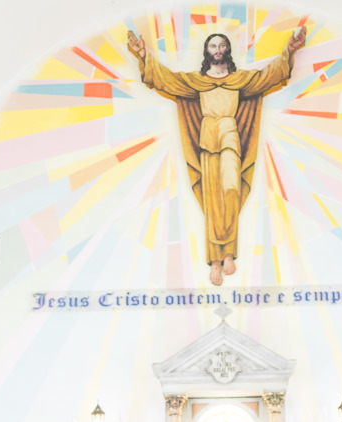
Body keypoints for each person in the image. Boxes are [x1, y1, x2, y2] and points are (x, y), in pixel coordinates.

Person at [126, 28, 305, 286]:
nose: (218, 50)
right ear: (207, 52)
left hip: (230, 134)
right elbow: (166, 79)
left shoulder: (240, 79)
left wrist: (290, 50)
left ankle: (228, 251)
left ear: (227, 50)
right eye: (213, 46)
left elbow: (267, 77)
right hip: (208, 140)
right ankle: (219, 261)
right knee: (212, 200)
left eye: (221, 45)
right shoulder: (196, 81)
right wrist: (143, 54)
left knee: (231, 189)